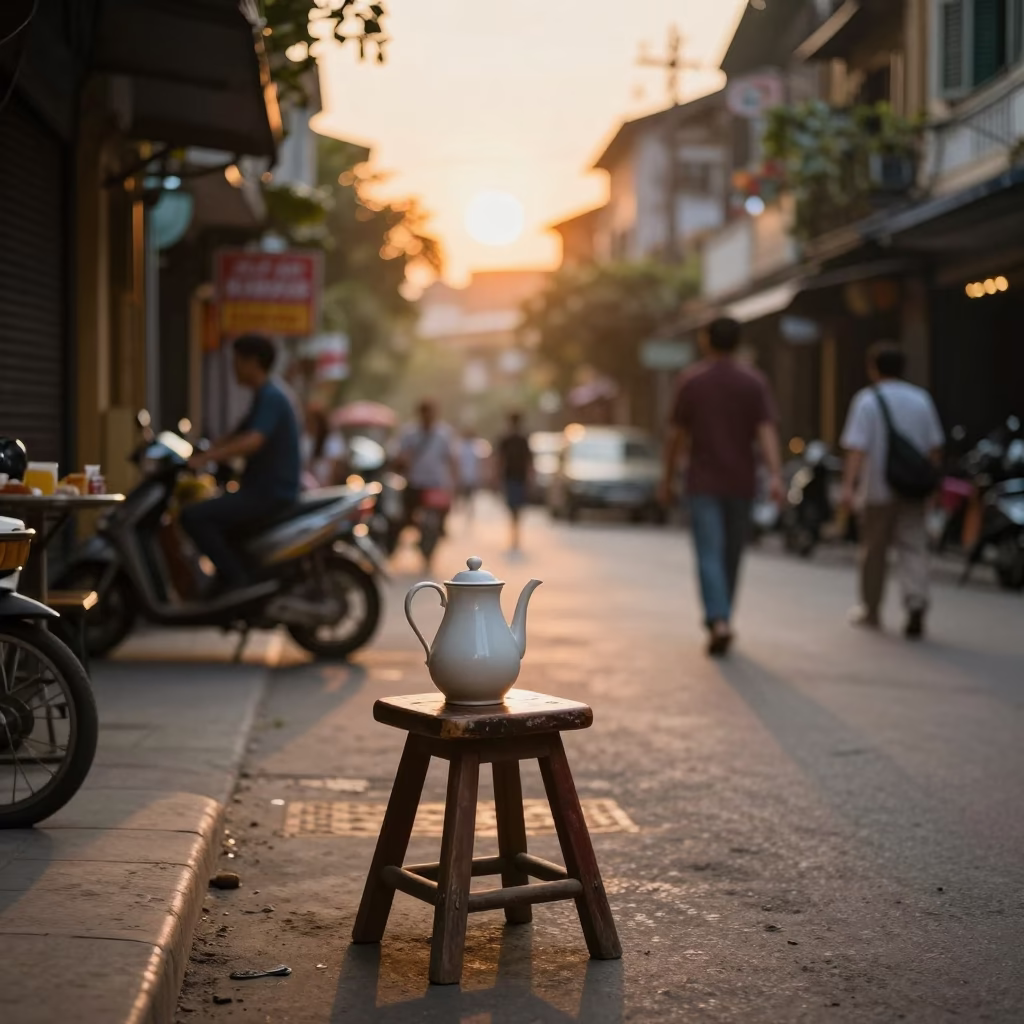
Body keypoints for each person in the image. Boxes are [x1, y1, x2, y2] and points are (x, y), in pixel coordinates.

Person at [660, 318, 783, 656]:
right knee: (731, 554)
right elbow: (766, 430)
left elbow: (676, 436)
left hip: (703, 483)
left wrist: (666, 479)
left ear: (705, 341)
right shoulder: (753, 381)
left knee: (709, 553)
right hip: (742, 482)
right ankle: (723, 617)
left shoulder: (693, 381)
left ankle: (719, 619)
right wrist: (775, 475)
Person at [840, 341, 944, 638]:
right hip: (913, 490)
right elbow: (935, 449)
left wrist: (849, 486)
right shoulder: (921, 399)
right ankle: (915, 600)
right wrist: (929, 486)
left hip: (877, 489)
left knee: (874, 550)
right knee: (914, 545)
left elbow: (856, 449)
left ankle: (870, 608)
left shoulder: (867, 401)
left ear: (873, 368)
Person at [181, 334, 301, 592]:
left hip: (269, 493)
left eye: (236, 361)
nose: (233, 368)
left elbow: (252, 441)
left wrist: (205, 458)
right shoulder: (263, 396)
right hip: (261, 490)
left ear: (253, 362)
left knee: (193, 516)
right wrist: (205, 450)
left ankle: (236, 581)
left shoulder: (272, 396)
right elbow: (233, 437)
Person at [393, 400, 460, 566]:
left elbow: (452, 459)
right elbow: (399, 455)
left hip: (436, 484)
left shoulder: (444, 434)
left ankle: (438, 534)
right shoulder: (410, 433)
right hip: (415, 482)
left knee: (440, 515)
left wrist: (453, 483)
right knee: (405, 516)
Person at [495, 412, 534, 553]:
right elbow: (501, 459)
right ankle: (514, 531)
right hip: (511, 477)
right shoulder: (507, 439)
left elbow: (529, 460)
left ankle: (515, 531)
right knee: (513, 507)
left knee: (516, 507)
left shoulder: (522, 439)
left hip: (517, 477)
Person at [301, 406, 347, 489]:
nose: (309, 425)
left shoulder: (332, 440)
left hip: (326, 489)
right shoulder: (307, 439)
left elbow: (335, 469)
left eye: (312, 421)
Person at [456, 429, 481, 519]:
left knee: (469, 494)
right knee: (465, 494)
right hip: (465, 475)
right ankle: (466, 508)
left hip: (469, 475)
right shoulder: (462, 447)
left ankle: (468, 509)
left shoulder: (472, 447)